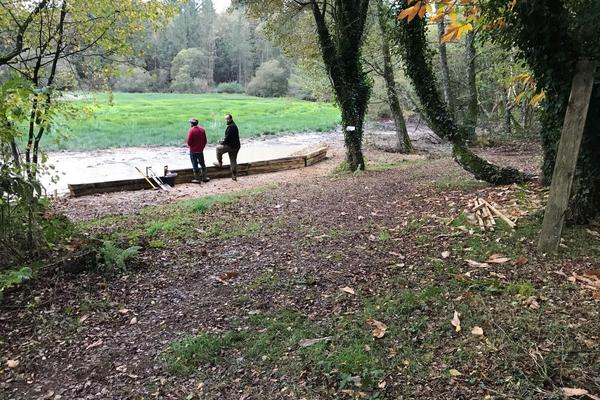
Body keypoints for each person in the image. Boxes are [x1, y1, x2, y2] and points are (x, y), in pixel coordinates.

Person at [214, 113, 241, 181]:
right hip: (236, 146)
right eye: (225, 119)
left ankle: (220, 163)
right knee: (233, 160)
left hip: (230, 146)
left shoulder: (230, 127)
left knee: (218, 148)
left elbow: (227, 140)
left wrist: (221, 142)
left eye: (227, 119)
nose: (226, 120)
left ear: (231, 119)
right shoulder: (234, 125)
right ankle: (234, 175)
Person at [185, 118, 210, 183]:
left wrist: (190, 146)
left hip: (193, 151)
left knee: (195, 164)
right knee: (202, 163)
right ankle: (204, 177)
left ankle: (197, 178)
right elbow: (205, 141)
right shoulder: (202, 130)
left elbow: (189, 142)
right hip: (200, 150)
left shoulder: (191, 130)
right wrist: (202, 148)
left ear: (191, 124)